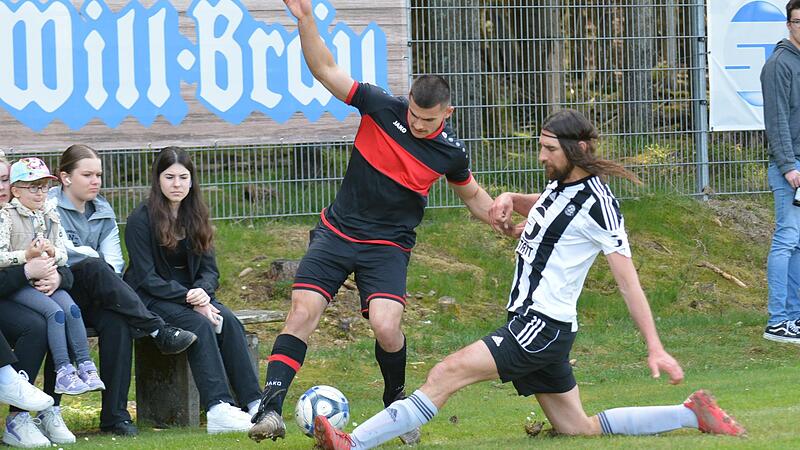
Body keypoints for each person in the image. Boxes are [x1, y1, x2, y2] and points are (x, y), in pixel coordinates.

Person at [313, 109, 747, 450]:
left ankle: (351, 442)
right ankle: (693, 414)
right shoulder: (562, 188)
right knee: (578, 428)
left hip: (538, 327)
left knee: (447, 372)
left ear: (575, 151)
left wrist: (655, 347)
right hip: (541, 326)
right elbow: (542, 206)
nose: (541, 156)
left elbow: (628, 282)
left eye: (549, 149)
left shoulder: (599, 203)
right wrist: (507, 198)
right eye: (540, 147)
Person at [249, 0, 496, 443]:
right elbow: (325, 69)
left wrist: (501, 217)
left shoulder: (451, 153)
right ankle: (269, 410)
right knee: (303, 311)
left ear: (446, 115)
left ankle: (396, 404)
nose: (417, 125)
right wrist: (306, 20)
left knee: (386, 326)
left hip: (388, 246)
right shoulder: (381, 105)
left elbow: (474, 197)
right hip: (337, 232)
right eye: (413, 116)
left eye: (428, 120)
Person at [48, 144, 198, 437]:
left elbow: (114, 261)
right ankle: (157, 329)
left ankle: (115, 416)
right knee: (93, 266)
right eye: (87, 174)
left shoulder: (102, 209)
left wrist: (103, 271)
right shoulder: (49, 207)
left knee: (117, 321)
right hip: (60, 290)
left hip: (100, 291)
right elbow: (64, 252)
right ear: (65, 178)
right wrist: (99, 265)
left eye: (99, 175)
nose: (96, 181)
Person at [123, 147, 262, 434]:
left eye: (183, 177)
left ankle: (255, 402)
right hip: (151, 298)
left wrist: (202, 291)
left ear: (192, 180)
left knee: (230, 322)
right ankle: (218, 408)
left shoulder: (196, 214)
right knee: (198, 324)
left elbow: (210, 270)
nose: (177, 184)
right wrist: (190, 298)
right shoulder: (141, 218)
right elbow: (146, 277)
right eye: (170, 177)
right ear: (157, 179)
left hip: (192, 295)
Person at [0, 157, 105, 397]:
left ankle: (85, 364)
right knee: (53, 313)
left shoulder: (50, 214)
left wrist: (53, 257)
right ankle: (63, 370)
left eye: (45, 187)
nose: (40, 193)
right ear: (16, 191)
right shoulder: (7, 216)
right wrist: (26, 257)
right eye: (33, 187)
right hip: (21, 285)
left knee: (72, 309)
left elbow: (64, 254)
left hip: (46, 278)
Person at [0, 151, 63, 448]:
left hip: (13, 295)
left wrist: (56, 275)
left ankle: (27, 416)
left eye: (3, 179)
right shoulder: (8, 218)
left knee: (42, 321)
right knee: (39, 321)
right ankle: (7, 381)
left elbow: (65, 256)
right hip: (10, 292)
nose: (1, 186)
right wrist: (27, 269)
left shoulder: (37, 215)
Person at [760, 0, 800, 344]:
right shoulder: (778, 65)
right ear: (788, 25)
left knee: (798, 244)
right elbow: (776, 122)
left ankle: (795, 318)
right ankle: (777, 320)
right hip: (791, 167)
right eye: (798, 22)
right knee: (786, 239)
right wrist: (788, 166)